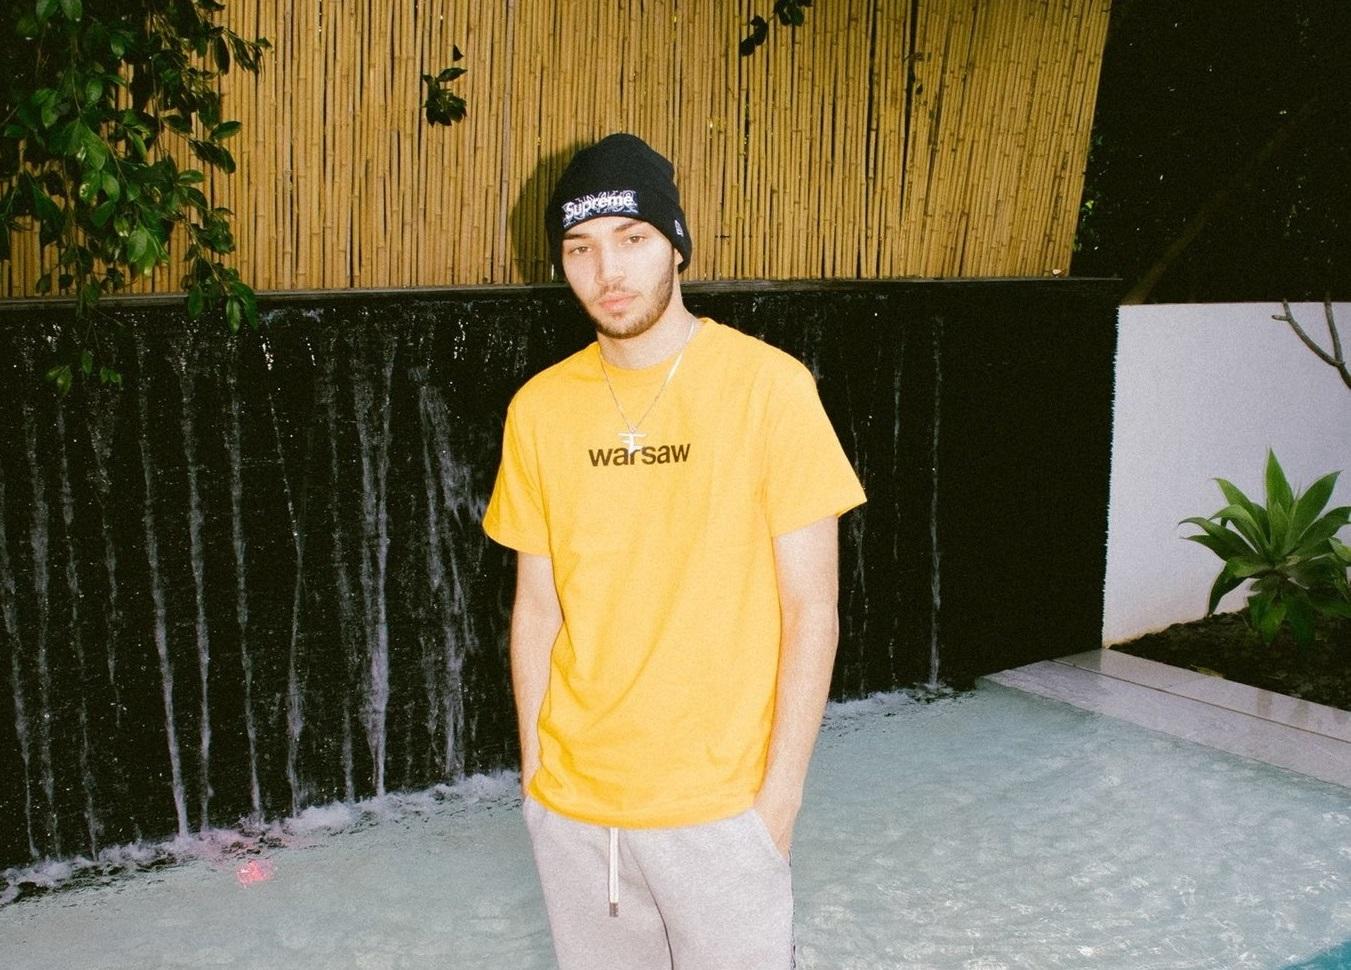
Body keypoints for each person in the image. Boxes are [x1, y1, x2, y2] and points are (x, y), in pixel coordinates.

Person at [482, 132, 866, 970]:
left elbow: (812, 610)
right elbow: (537, 607)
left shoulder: (770, 388)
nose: (605, 272)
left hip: (721, 809)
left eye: (632, 239)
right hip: (577, 812)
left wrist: (777, 805)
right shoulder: (540, 409)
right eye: (579, 248)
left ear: (676, 245)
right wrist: (537, 778)